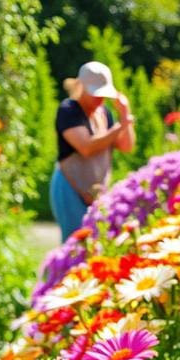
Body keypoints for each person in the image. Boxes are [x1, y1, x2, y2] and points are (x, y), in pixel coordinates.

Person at [50, 61, 135, 241]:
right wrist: (120, 127)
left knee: (96, 244)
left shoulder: (105, 113)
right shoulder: (68, 110)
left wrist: (124, 115)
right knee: (75, 245)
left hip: (96, 192)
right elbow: (86, 147)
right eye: (95, 93)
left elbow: (126, 146)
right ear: (81, 87)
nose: (100, 99)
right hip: (69, 187)